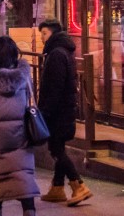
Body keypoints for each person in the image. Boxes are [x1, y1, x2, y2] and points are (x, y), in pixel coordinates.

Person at [0, 36, 40, 216]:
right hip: (20, 131)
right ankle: (29, 210)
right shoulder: (24, 74)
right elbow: (31, 100)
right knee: (23, 174)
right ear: (14, 53)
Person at [37, 20, 92, 206]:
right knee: (57, 146)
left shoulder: (57, 55)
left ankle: (78, 185)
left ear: (51, 33)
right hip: (65, 109)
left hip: (58, 112)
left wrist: (45, 112)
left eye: (43, 33)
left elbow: (55, 87)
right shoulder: (64, 52)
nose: (42, 38)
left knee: (56, 148)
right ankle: (57, 187)